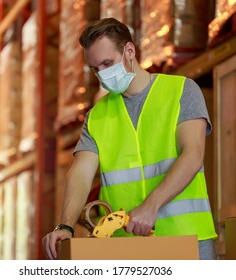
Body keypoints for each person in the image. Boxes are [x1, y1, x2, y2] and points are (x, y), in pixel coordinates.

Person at [42, 17, 217, 260]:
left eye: (107, 63)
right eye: (95, 69)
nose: (102, 74)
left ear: (129, 51)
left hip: (187, 242)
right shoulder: (97, 116)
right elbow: (80, 173)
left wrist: (151, 206)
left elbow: (193, 155)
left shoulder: (181, 91)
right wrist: (66, 226)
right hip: (126, 250)